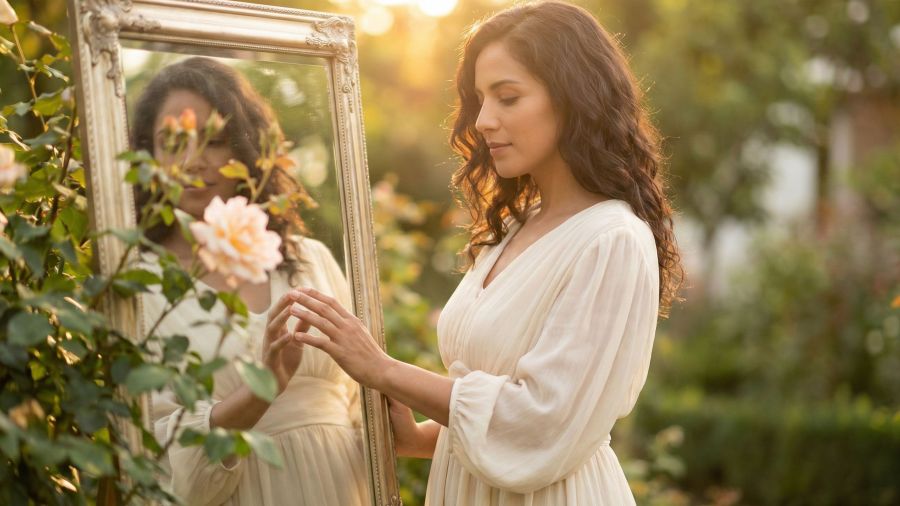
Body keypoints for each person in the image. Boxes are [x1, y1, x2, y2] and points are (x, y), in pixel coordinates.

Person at [291, 2, 683, 504]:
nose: (483, 120)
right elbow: (496, 422)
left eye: (508, 97)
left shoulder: (612, 240)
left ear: (574, 98)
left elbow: (542, 425)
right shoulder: (516, 227)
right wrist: (417, 438)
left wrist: (385, 370)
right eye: (480, 100)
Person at [132, 57, 368, 506]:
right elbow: (153, 455)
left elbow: (365, 406)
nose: (192, 160)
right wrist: (262, 390)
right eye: (172, 141)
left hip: (342, 485)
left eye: (214, 140)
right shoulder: (142, 285)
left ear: (243, 148)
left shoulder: (307, 261)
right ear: (149, 154)